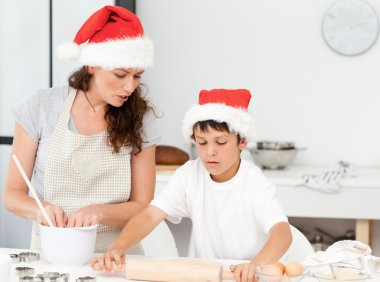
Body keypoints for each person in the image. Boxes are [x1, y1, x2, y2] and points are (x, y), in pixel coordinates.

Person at [91, 89, 292, 282]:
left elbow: (282, 233)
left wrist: (254, 265)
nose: (210, 152)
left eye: (221, 142)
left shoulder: (254, 182)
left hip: (252, 275)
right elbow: (151, 215)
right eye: (202, 142)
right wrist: (118, 247)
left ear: (242, 141)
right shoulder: (189, 174)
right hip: (209, 274)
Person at [2, 5, 158, 254]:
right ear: (91, 65)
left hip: (117, 255)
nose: (130, 87)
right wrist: (40, 209)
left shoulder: (140, 118)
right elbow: (12, 194)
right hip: (52, 255)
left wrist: (99, 212)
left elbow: (142, 205)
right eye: (120, 74)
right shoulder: (40, 107)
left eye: (138, 76)